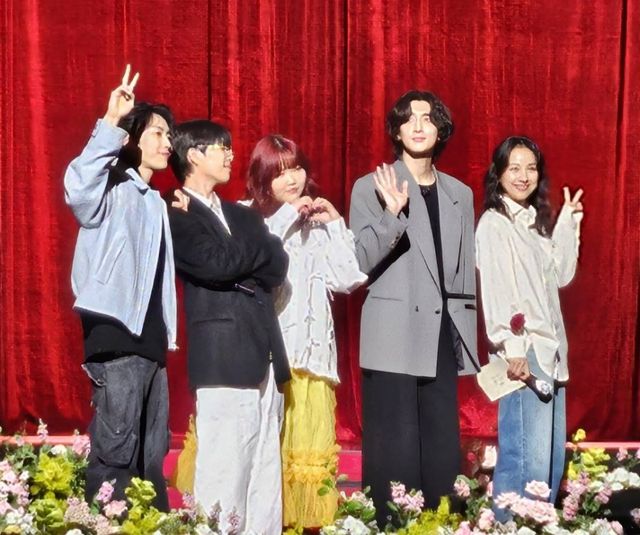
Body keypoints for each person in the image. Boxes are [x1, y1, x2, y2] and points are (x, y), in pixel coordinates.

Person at [349, 90, 479, 527]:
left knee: (441, 449)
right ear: (397, 130)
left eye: (428, 118)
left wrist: (467, 337)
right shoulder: (371, 185)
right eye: (409, 118)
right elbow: (359, 261)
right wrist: (392, 214)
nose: (419, 125)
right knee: (395, 450)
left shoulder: (459, 193)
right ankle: (390, 526)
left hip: (442, 334)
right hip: (393, 334)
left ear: (441, 129)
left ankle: (440, 525)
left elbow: (463, 273)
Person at [168, 120, 290, 534]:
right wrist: (259, 247)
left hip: (265, 350)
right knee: (225, 469)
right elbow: (214, 264)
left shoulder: (242, 214)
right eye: (221, 148)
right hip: (222, 354)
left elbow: (277, 264)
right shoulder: (176, 211)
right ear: (194, 155)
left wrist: (254, 250)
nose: (230, 155)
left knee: (263, 472)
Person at [64, 66, 177, 510]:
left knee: (151, 455)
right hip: (115, 336)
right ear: (132, 140)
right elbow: (77, 189)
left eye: (169, 135)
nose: (167, 143)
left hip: (151, 343)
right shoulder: (110, 185)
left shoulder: (157, 203)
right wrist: (111, 120)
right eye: (158, 133)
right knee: (115, 453)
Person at [245, 134, 367, 528]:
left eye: (296, 168)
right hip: (269, 358)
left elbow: (347, 279)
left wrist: (334, 225)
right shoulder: (250, 216)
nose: (292, 179)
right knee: (265, 452)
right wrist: (287, 217)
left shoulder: (315, 225)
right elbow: (253, 261)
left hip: (312, 360)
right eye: (280, 172)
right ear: (263, 178)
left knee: (304, 459)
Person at [475, 136, 583, 518]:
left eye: (531, 168)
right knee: (524, 460)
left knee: (547, 463)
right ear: (499, 173)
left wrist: (567, 223)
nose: (523, 176)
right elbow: (498, 290)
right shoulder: (495, 224)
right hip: (526, 354)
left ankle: (535, 524)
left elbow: (562, 275)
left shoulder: (532, 225)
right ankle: (508, 525)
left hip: (550, 353)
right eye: (515, 168)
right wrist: (513, 348)